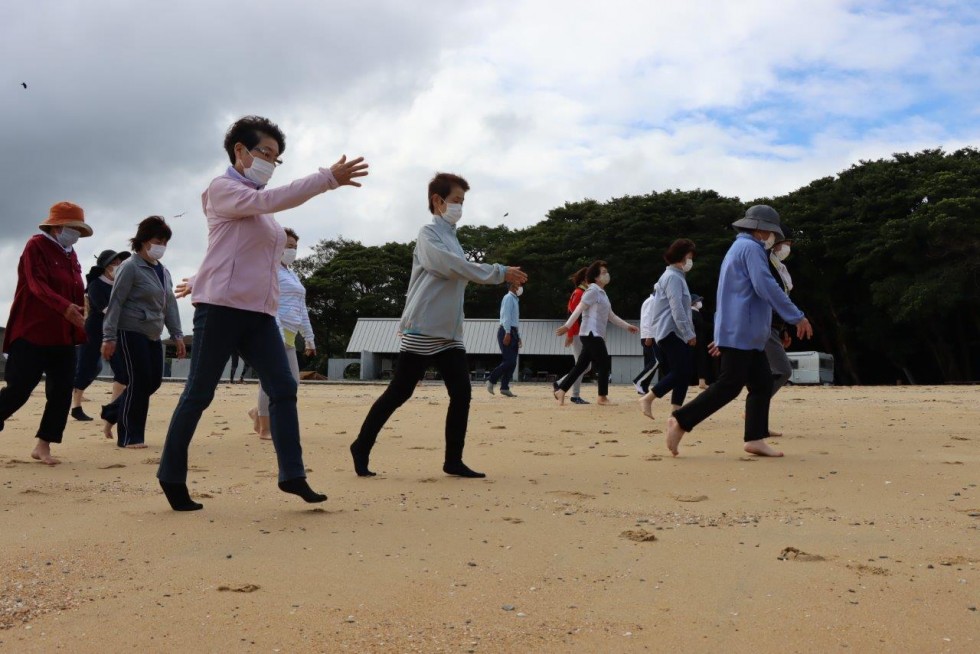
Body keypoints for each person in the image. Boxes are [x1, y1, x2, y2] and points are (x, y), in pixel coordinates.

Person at [156, 115, 368, 511]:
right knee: (199, 394)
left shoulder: (265, 215)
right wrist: (327, 178)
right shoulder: (223, 189)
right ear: (239, 150)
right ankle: (171, 477)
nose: (271, 162)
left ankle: (293, 475)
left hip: (260, 315)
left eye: (277, 158)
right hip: (220, 311)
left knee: (284, 387)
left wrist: (198, 275)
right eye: (265, 153)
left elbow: (236, 253)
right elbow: (264, 202)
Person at [349, 172, 528, 479]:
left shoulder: (453, 237)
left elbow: (459, 270)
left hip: (450, 332)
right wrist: (499, 272)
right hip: (423, 326)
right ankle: (361, 446)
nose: (460, 206)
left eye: (462, 201)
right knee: (400, 392)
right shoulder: (428, 234)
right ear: (437, 200)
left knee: (461, 393)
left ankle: (453, 461)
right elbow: (449, 267)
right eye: (456, 200)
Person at [667, 206, 813, 458]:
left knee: (762, 383)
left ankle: (755, 438)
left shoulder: (740, 247)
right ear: (759, 229)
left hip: (745, 330)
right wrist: (796, 316)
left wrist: (723, 333)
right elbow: (765, 286)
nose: (773, 238)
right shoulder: (751, 249)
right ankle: (681, 420)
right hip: (743, 329)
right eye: (771, 233)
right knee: (729, 385)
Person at [0, 202, 92, 465]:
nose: (76, 234)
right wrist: (65, 308)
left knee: (61, 392)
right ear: (57, 225)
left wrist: (81, 316)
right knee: (18, 390)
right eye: (73, 228)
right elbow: (36, 284)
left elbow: (76, 288)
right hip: (32, 332)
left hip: (64, 336)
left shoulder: (71, 254)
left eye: (79, 229)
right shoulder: (35, 245)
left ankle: (44, 445)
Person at [100, 217, 185, 448]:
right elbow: (116, 302)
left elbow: (170, 304)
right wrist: (109, 337)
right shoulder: (130, 267)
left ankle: (111, 412)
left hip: (153, 333)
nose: (162, 246)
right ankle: (130, 437)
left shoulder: (163, 272)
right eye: (158, 241)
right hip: (130, 330)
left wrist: (177, 334)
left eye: (165, 242)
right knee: (138, 381)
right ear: (144, 241)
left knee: (153, 381)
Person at [248, 228, 316, 439]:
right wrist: (274, 331)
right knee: (268, 382)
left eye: (294, 247)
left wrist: (309, 338)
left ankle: (257, 414)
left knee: (292, 382)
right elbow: (271, 303)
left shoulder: (292, 274)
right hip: (271, 331)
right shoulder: (270, 271)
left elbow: (302, 308)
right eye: (288, 246)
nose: (292, 250)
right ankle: (265, 427)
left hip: (290, 333)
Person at [554, 260, 639, 405]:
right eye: (604, 273)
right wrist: (567, 326)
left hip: (594, 334)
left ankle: (561, 390)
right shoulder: (592, 290)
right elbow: (578, 309)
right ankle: (602, 397)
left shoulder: (602, 293)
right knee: (604, 362)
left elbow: (611, 316)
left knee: (581, 366)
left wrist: (627, 326)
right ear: (596, 277)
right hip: (590, 333)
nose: (607, 275)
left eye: (607, 272)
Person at [640, 239, 697, 419]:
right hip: (671, 331)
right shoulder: (672, 277)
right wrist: (689, 333)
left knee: (684, 371)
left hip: (672, 332)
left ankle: (676, 411)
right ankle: (648, 398)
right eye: (689, 256)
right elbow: (677, 308)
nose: (691, 260)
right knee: (681, 371)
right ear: (681, 257)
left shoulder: (676, 276)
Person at [70, 249, 130, 422]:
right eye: (114, 263)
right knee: (86, 367)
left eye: (120, 262)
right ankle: (76, 406)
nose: (118, 266)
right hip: (94, 331)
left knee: (122, 370)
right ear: (105, 266)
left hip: (115, 331)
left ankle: (113, 409)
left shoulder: (123, 284)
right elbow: (105, 309)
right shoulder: (96, 284)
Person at [764, 234, 796, 436]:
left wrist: (784, 329)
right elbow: (774, 299)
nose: (787, 248)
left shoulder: (779, 268)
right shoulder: (768, 265)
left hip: (773, 325)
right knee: (783, 370)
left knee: (765, 373)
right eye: (786, 244)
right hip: (764, 324)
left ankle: (757, 421)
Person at [553, 268, 591, 404]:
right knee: (582, 365)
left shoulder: (583, 292)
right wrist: (570, 334)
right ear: (585, 279)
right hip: (577, 333)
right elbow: (572, 315)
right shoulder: (579, 293)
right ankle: (574, 394)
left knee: (585, 366)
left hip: (580, 333)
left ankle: (560, 383)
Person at [486, 280, 523, 397]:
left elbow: (514, 320)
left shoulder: (515, 299)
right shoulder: (508, 298)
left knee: (513, 362)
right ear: (512, 286)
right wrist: (507, 332)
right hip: (506, 330)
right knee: (509, 360)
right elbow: (506, 316)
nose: (521, 287)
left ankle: (505, 387)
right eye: (519, 284)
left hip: (513, 331)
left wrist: (518, 335)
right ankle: (491, 379)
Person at [632, 285, 659, 394]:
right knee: (655, 361)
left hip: (650, 336)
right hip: (649, 336)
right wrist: (649, 335)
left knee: (650, 362)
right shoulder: (652, 302)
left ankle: (643, 387)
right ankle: (638, 380)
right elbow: (647, 319)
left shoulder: (653, 301)